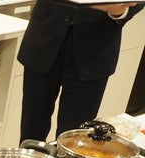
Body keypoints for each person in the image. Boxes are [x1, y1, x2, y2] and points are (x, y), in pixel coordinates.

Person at [18, 0, 143, 142]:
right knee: (31, 129)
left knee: (75, 138)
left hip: (95, 48)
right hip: (44, 37)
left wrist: (120, 11)